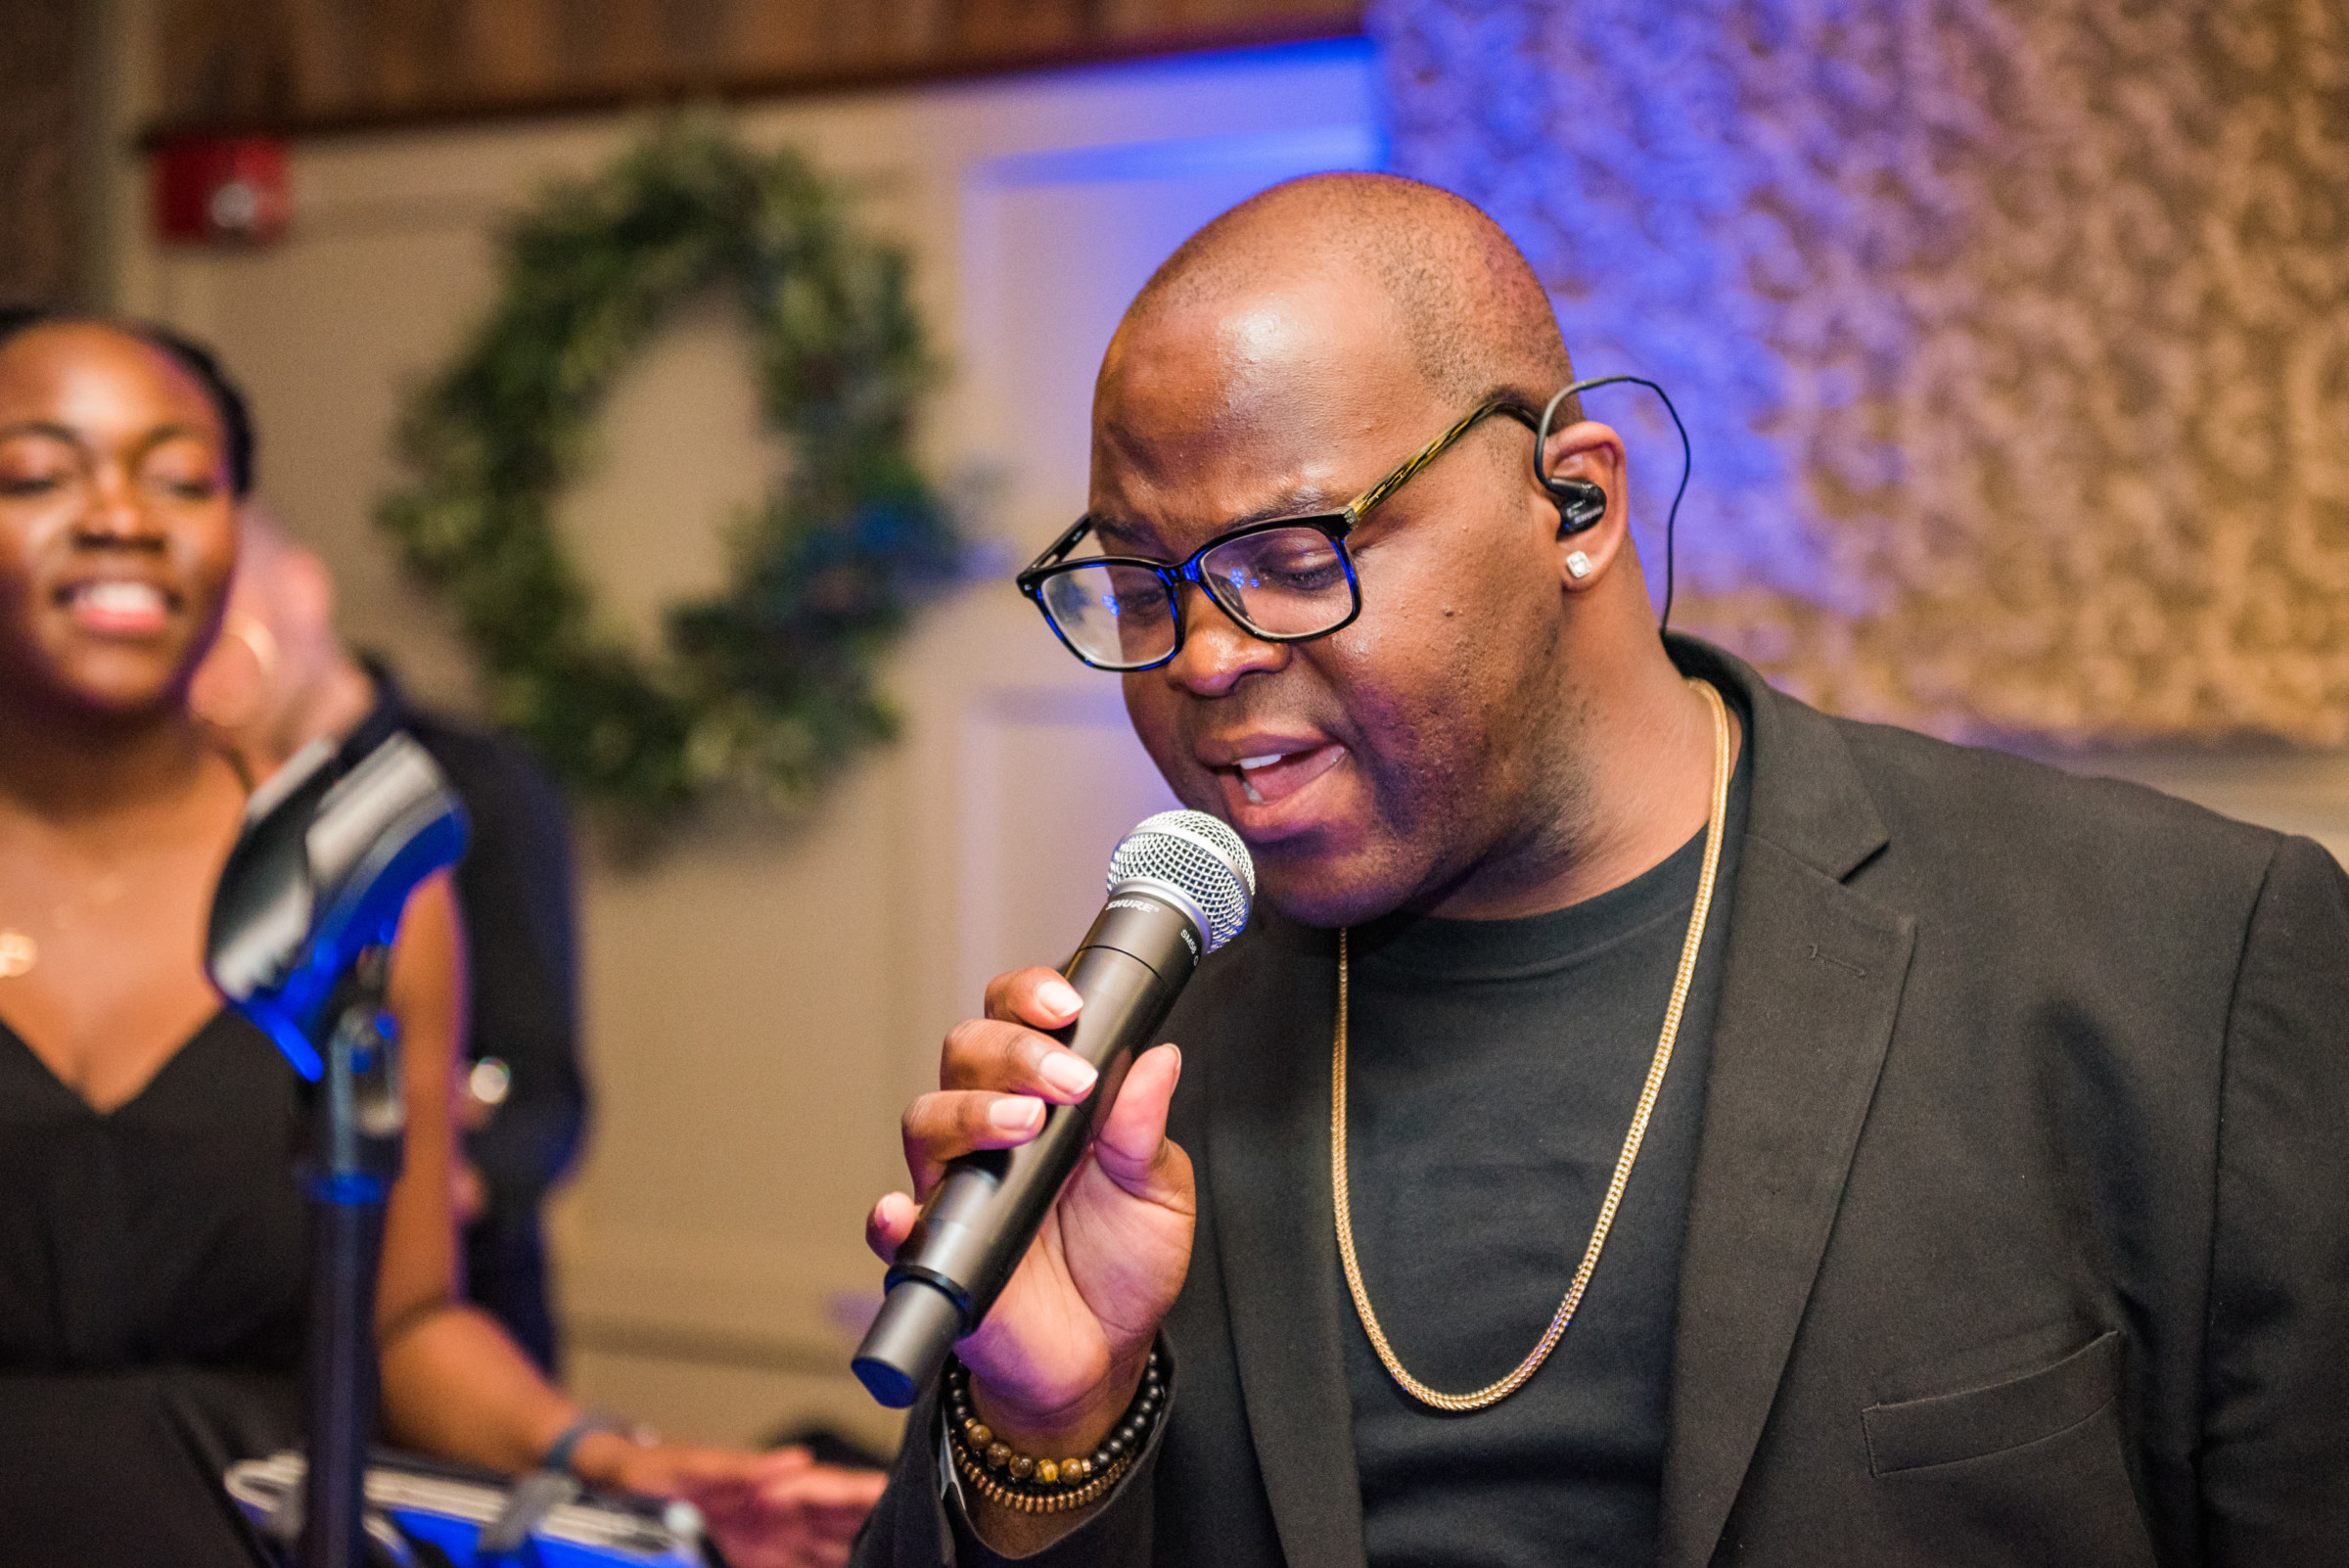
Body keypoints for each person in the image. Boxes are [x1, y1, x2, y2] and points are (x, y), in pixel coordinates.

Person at [852, 173, 2349, 1567]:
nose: (1205, 656)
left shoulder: (2184, 961)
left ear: (1576, 502)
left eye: (1297, 559)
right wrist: (1051, 1427)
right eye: (1138, 580)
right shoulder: (1141, 1082)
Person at [0, 308, 884, 1568]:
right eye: (39, 474)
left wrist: (610, 1462)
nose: (123, 518)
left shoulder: (359, 880)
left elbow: (406, 1324)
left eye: (182, 480)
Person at [192, 503, 586, 1374]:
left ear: (301, 587)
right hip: (252, 1336)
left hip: (454, 1316)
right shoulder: (196, 805)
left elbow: (541, 1101)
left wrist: (435, 1165)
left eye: (228, 603)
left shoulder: (472, 785)